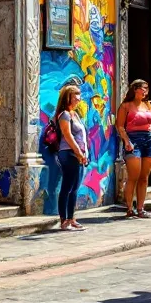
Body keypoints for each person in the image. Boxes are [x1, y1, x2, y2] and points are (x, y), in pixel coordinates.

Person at [116, 79, 151, 219]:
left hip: (149, 141)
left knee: (144, 177)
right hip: (133, 140)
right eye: (143, 88)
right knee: (133, 177)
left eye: (147, 89)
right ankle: (130, 209)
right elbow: (120, 126)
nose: (145, 91)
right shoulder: (126, 106)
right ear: (135, 89)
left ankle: (141, 208)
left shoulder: (148, 105)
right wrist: (126, 141)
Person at [54, 84, 89, 231]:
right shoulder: (65, 115)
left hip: (78, 154)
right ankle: (64, 220)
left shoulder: (75, 114)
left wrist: (84, 153)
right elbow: (67, 135)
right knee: (67, 187)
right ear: (68, 97)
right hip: (68, 153)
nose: (78, 98)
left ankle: (71, 218)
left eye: (79, 95)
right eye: (76, 95)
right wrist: (78, 152)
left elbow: (82, 136)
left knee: (75, 188)